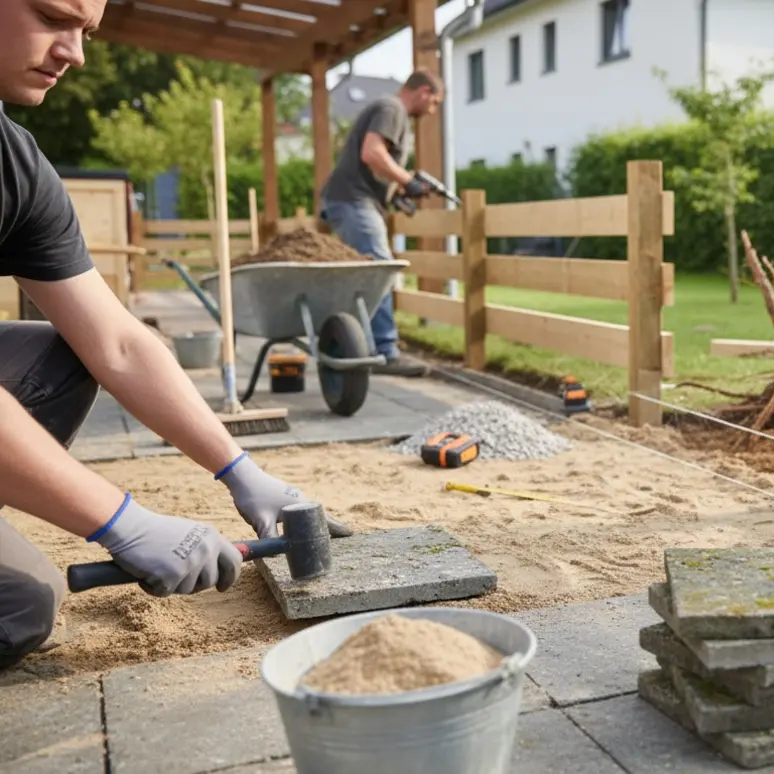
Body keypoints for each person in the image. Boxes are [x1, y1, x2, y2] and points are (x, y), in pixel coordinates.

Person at [0, 0, 350, 671]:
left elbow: (118, 343)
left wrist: (241, 472)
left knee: (62, 358)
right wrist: (121, 521)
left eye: (86, 31)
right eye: (51, 16)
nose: (75, 53)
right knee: (20, 607)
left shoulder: (15, 163)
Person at [319, 69, 446, 378]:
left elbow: (373, 167)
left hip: (350, 199)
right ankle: (385, 352)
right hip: (353, 201)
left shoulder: (387, 109)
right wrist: (407, 180)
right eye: (434, 103)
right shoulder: (392, 109)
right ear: (424, 92)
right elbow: (372, 153)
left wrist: (396, 193)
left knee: (362, 276)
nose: (432, 111)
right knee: (381, 269)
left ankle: (350, 344)